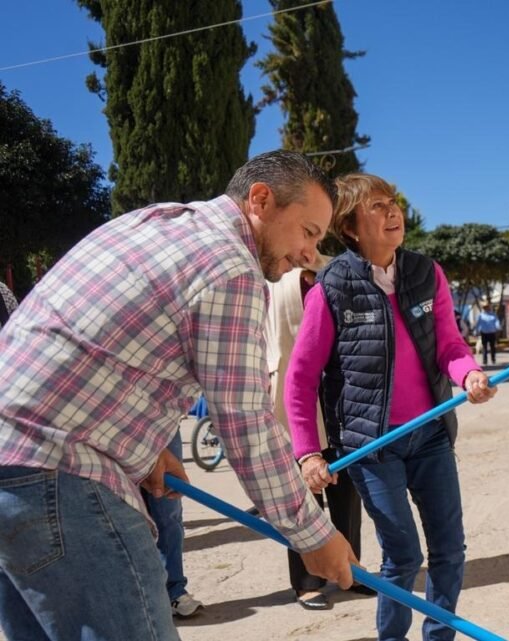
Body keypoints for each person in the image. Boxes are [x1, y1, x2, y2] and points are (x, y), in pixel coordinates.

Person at [0, 150, 359, 641]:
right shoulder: (231, 268)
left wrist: (150, 448)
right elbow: (246, 423)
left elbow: (103, 345)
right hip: (57, 473)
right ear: (261, 199)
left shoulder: (156, 222)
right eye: (309, 232)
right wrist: (312, 535)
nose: (308, 253)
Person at [284, 173, 498, 641]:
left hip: (431, 437)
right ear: (351, 227)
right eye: (377, 206)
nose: (392, 212)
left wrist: (470, 375)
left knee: (449, 550)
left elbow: (450, 346)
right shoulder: (332, 287)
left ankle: (438, 636)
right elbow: (299, 379)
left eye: (393, 202)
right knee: (402, 555)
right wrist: (308, 452)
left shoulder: (427, 272)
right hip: (372, 446)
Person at [265, 252, 369, 609]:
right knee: (301, 494)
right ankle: (306, 581)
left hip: (338, 392)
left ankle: (351, 570)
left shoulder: (332, 271)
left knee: (347, 489)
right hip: (291, 394)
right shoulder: (271, 275)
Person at [141, 430, 203, 618]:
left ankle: (174, 591)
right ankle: (139, 597)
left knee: (168, 513)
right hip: (104, 425)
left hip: (161, 427)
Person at [474, 299, 500, 364]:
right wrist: (476, 331)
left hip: (492, 333)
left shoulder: (493, 314)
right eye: (485, 307)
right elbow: (478, 323)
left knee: (492, 347)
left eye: (487, 307)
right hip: (484, 333)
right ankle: (485, 360)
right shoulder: (480, 315)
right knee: (484, 347)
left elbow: (496, 321)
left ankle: (493, 359)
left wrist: (498, 327)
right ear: (483, 308)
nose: (486, 308)